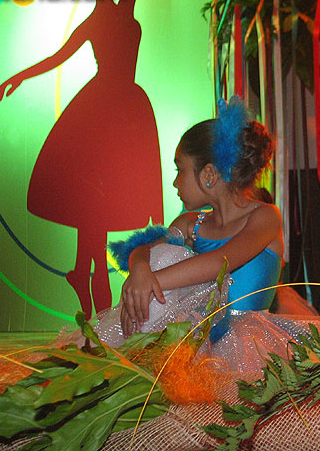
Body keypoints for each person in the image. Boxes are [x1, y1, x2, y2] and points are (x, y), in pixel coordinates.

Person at [0, 0, 163, 319]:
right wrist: (19, 77)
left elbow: (57, 57)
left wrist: (18, 78)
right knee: (94, 204)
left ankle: (83, 277)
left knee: (96, 206)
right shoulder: (105, 17)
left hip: (118, 113)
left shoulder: (117, 9)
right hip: (107, 115)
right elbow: (58, 58)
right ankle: (92, 296)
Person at [119, 96, 283, 340]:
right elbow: (143, 248)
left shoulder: (265, 216)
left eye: (180, 169)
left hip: (251, 346)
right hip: (199, 343)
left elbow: (220, 262)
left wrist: (151, 283)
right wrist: (140, 270)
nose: (175, 182)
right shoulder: (189, 224)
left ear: (209, 174)